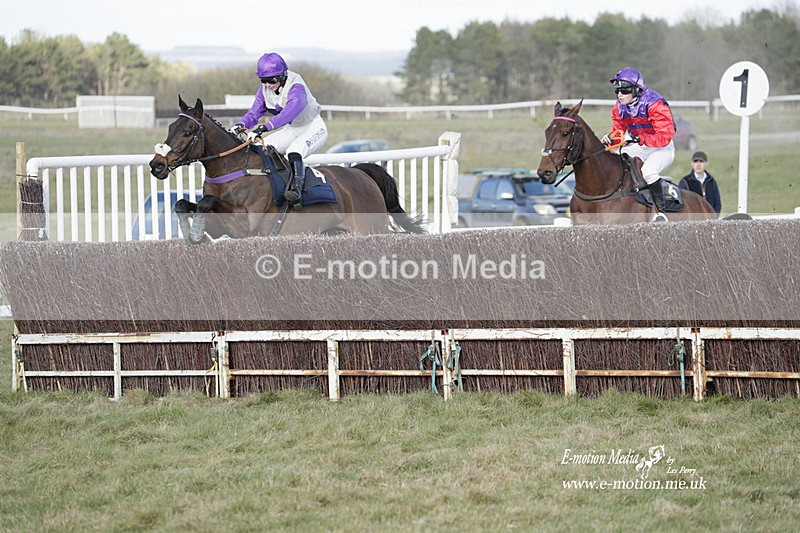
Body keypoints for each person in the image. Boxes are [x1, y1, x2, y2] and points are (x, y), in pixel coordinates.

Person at [230, 52, 328, 207]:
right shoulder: (264, 89)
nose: (268, 84)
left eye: (272, 80)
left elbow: (289, 113)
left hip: (313, 126)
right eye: (264, 80)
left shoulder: (297, 87)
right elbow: (255, 111)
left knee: (294, 151)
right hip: (293, 128)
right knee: (259, 149)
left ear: (282, 76)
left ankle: (295, 192)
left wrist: (265, 127)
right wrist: (242, 125)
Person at [601, 67, 676, 214]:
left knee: (648, 171)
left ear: (636, 89)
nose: (620, 95)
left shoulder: (656, 104)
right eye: (617, 92)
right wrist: (609, 140)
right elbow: (618, 133)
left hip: (661, 148)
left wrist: (640, 138)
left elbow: (665, 136)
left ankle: (661, 213)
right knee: (616, 162)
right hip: (639, 145)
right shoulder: (619, 107)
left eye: (624, 91)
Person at [679, 151, 721, 216]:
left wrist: (714, 218)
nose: (698, 164)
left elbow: (717, 203)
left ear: (706, 163)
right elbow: (680, 204)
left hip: (711, 220)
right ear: (692, 164)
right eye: (695, 161)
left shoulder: (711, 181)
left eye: (701, 161)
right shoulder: (685, 182)